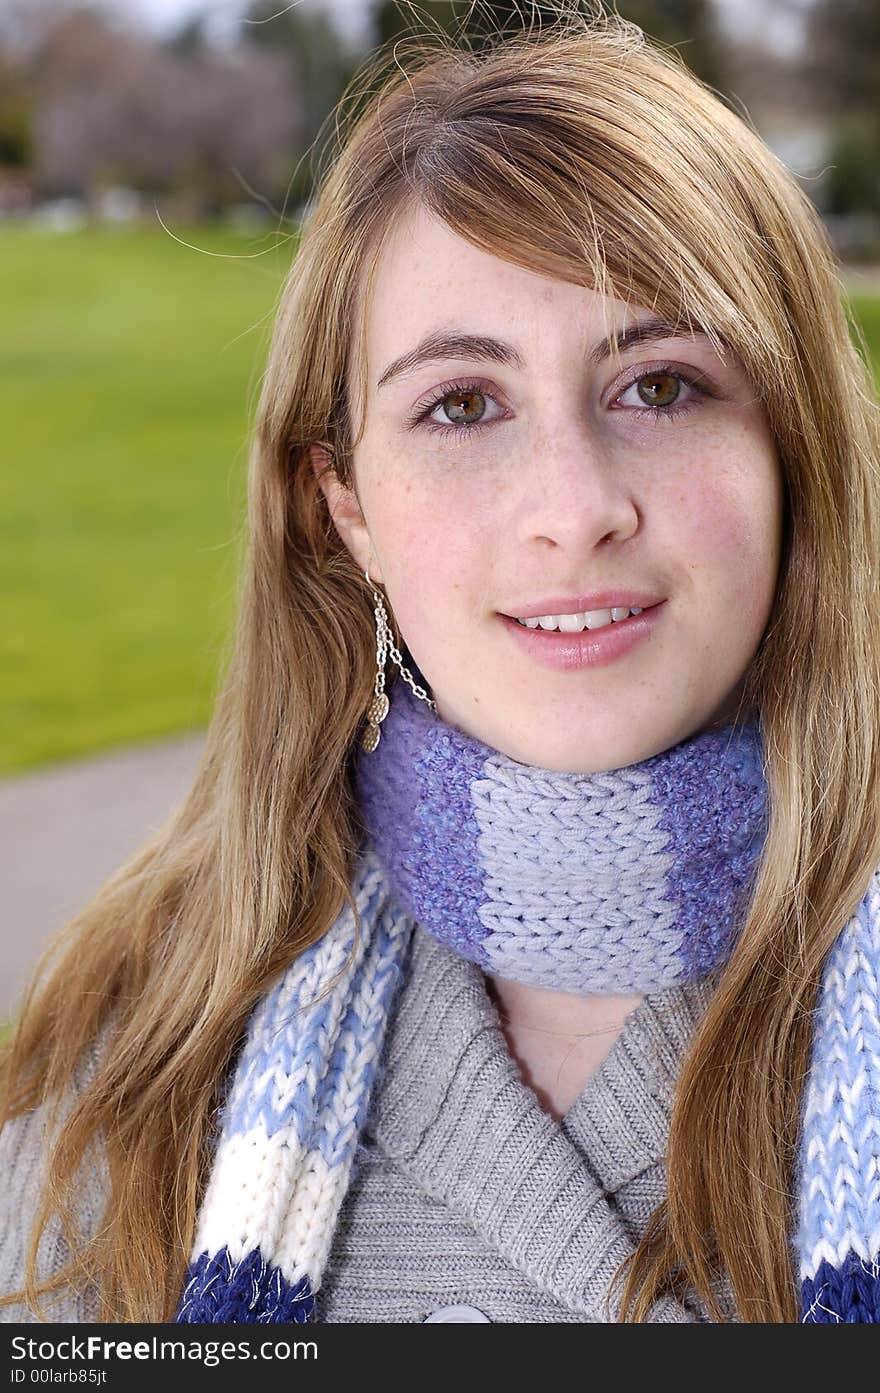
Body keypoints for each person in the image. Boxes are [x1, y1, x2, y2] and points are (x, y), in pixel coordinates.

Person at [2, 0, 880, 1326]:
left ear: (793, 448)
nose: (574, 505)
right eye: (461, 405)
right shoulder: (123, 1066)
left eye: (663, 384)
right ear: (345, 506)